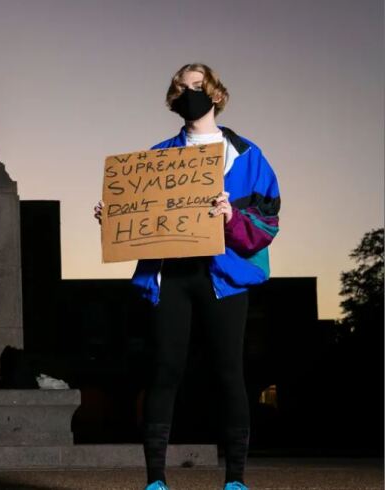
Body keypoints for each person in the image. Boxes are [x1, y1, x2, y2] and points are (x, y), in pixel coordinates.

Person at [95, 63, 280, 490]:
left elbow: (268, 222)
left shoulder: (248, 156)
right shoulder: (158, 157)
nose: (188, 93)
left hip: (224, 277)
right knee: (164, 370)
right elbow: (139, 218)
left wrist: (232, 216)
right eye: (181, 87)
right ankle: (155, 480)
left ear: (215, 94)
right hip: (173, 276)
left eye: (196, 86)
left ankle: (235, 480)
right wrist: (113, 216)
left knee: (228, 372)